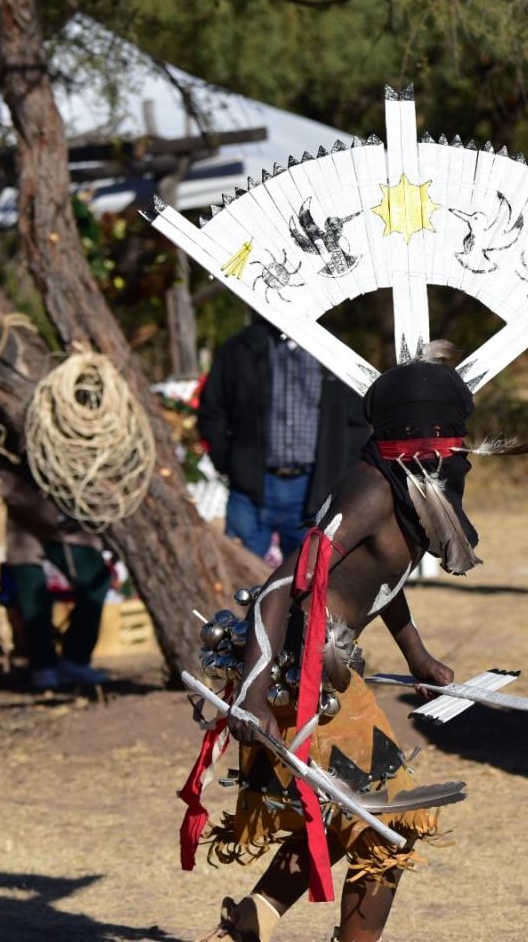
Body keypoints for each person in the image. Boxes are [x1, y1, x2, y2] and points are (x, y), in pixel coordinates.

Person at [188, 346, 483, 942]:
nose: (458, 449)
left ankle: (251, 924)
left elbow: (378, 579)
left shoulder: (408, 488)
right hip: (299, 682)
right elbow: (278, 588)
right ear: (420, 435)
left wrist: (416, 654)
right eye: (449, 435)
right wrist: (249, 694)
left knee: (343, 812)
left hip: (330, 677)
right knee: (386, 828)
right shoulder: (370, 491)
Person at [199, 318, 369, 560]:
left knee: (306, 585)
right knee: (240, 584)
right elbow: (212, 410)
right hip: (249, 490)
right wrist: (230, 463)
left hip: (313, 490)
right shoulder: (241, 348)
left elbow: (358, 420)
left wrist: (339, 471)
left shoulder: (334, 350)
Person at [0, 461, 113, 691]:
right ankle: (43, 665)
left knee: (96, 581)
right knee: (31, 597)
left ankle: (74, 658)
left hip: (63, 522)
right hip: (23, 526)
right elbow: (3, 481)